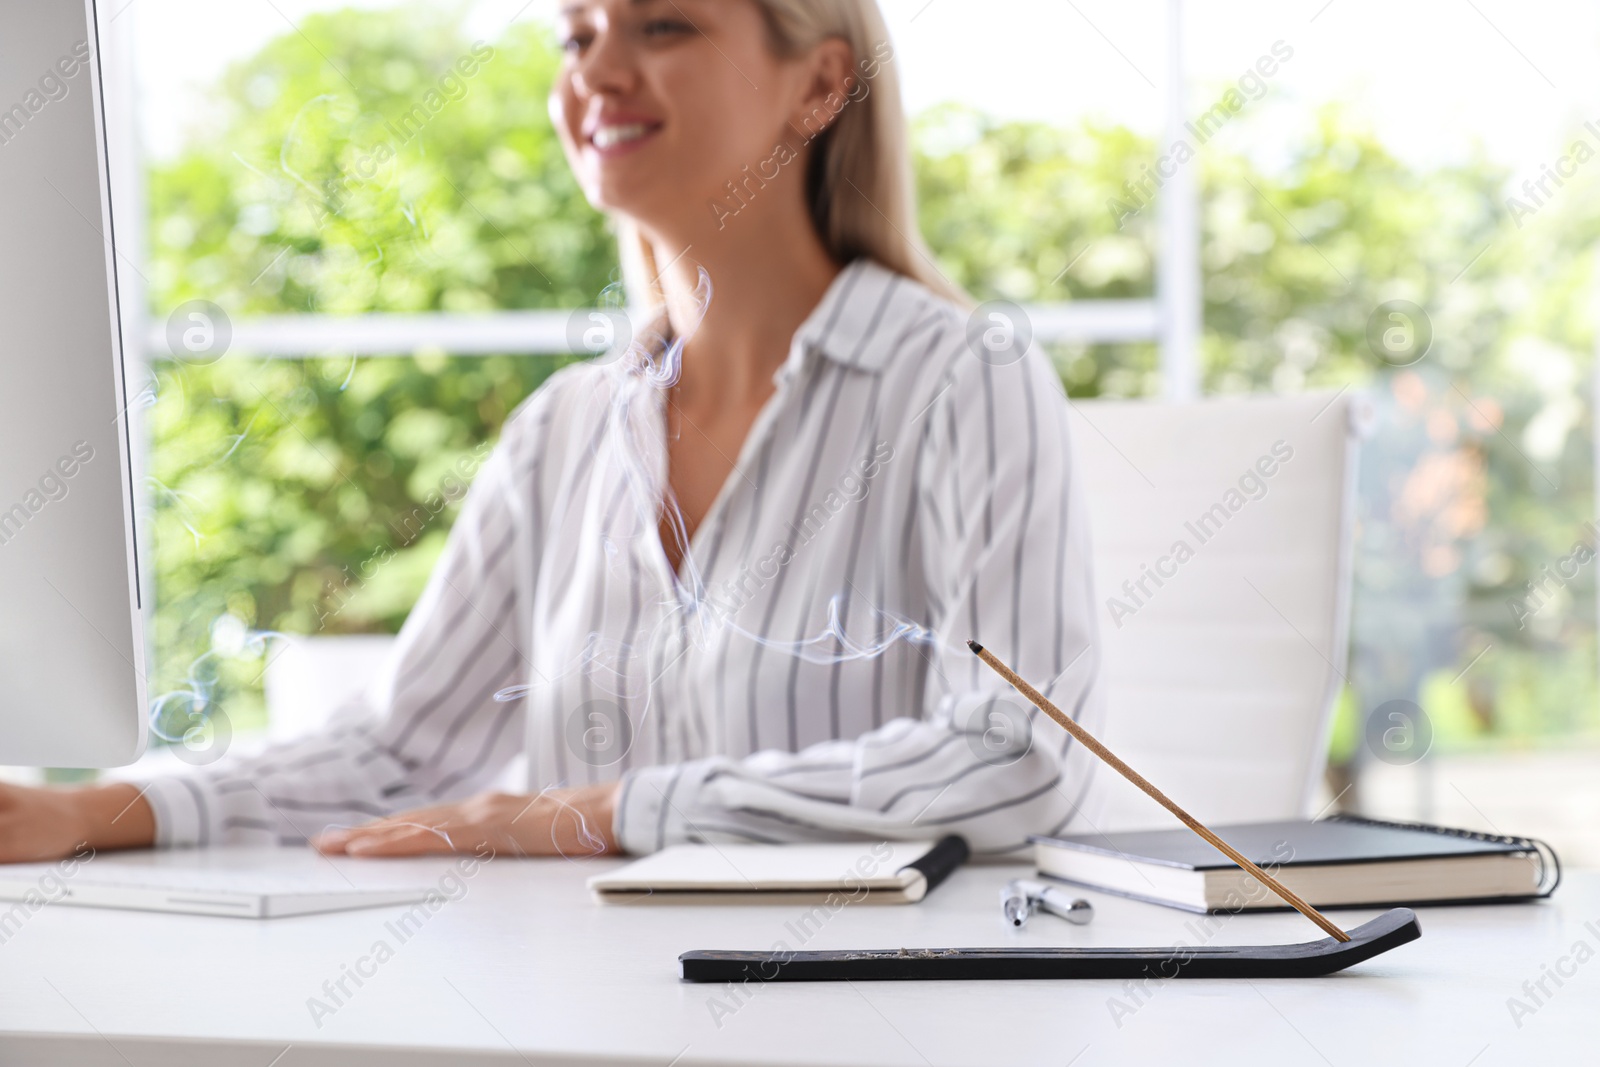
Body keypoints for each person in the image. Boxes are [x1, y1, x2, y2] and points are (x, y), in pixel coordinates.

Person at [0, 0, 1101, 862]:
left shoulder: (963, 379)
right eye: (576, 34)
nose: (597, 71)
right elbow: (399, 752)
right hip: (584, 1002)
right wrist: (102, 807)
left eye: (662, 24)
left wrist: (600, 813)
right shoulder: (565, 428)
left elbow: (1017, 756)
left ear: (818, 84)